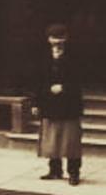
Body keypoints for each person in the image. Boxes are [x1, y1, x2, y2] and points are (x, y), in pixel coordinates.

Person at [35, 24, 83, 185]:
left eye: (60, 40)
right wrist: (37, 103)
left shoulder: (75, 56)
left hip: (69, 104)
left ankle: (74, 173)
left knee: (71, 141)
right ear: (48, 40)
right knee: (52, 139)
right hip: (49, 104)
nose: (57, 44)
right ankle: (55, 170)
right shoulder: (42, 56)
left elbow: (81, 79)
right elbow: (37, 80)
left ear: (66, 39)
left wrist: (64, 87)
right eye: (54, 40)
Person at [2, 0, 44, 93]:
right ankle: (14, 87)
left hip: (31, 36)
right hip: (15, 36)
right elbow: (6, 15)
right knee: (15, 62)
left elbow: (40, 16)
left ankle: (30, 88)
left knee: (30, 64)